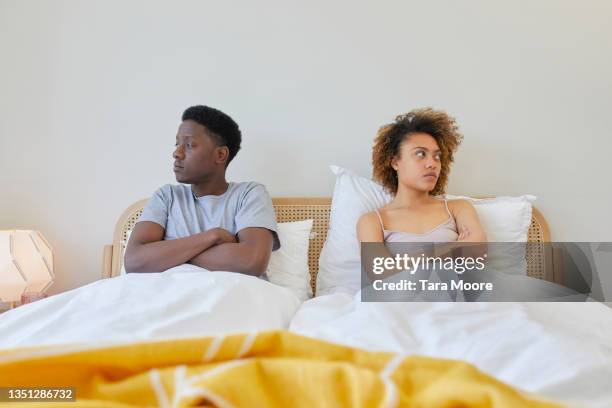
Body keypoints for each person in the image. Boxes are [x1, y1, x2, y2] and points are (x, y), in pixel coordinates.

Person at [124, 105, 280, 276]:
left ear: (220, 155)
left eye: (189, 145)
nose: (177, 153)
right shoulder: (166, 197)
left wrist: (168, 254)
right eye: (177, 144)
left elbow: (251, 262)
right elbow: (133, 261)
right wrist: (214, 236)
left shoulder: (249, 194)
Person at [357, 107, 486, 245]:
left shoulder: (458, 208)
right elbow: (377, 267)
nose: (432, 164)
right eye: (420, 154)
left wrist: (400, 263)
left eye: (437, 156)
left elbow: (477, 255)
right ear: (395, 162)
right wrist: (452, 248)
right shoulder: (372, 221)